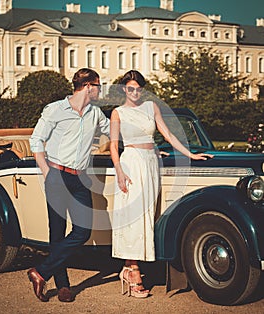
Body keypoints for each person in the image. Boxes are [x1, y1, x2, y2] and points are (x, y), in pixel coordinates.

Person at [110, 70, 213, 298]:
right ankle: (132, 270)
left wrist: (190, 155)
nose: (135, 93)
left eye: (138, 88)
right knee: (134, 217)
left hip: (150, 163)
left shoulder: (151, 107)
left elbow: (167, 134)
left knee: (148, 215)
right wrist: (119, 172)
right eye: (130, 89)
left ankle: (131, 267)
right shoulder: (118, 113)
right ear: (123, 90)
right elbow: (113, 146)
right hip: (131, 164)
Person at [27, 68, 110, 302]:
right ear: (87, 86)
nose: (100, 90)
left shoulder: (95, 113)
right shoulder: (55, 109)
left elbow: (113, 131)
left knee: (83, 230)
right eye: (98, 85)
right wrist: (47, 172)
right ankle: (63, 286)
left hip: (80, 178)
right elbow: (37, 140)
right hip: (57, 175)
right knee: (57, 231)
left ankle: (40, 272)